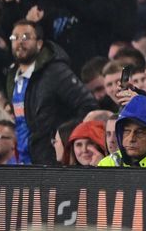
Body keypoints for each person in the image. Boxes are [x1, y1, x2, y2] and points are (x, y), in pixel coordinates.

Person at [6, 20, 98, 165]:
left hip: (50, 159)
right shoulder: (13, 77)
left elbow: (89, 106)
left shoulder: (55, 72)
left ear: (39, 43)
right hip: (24, 161)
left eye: (25, 37)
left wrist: (63, 135)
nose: (19, 42)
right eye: (15, 38)